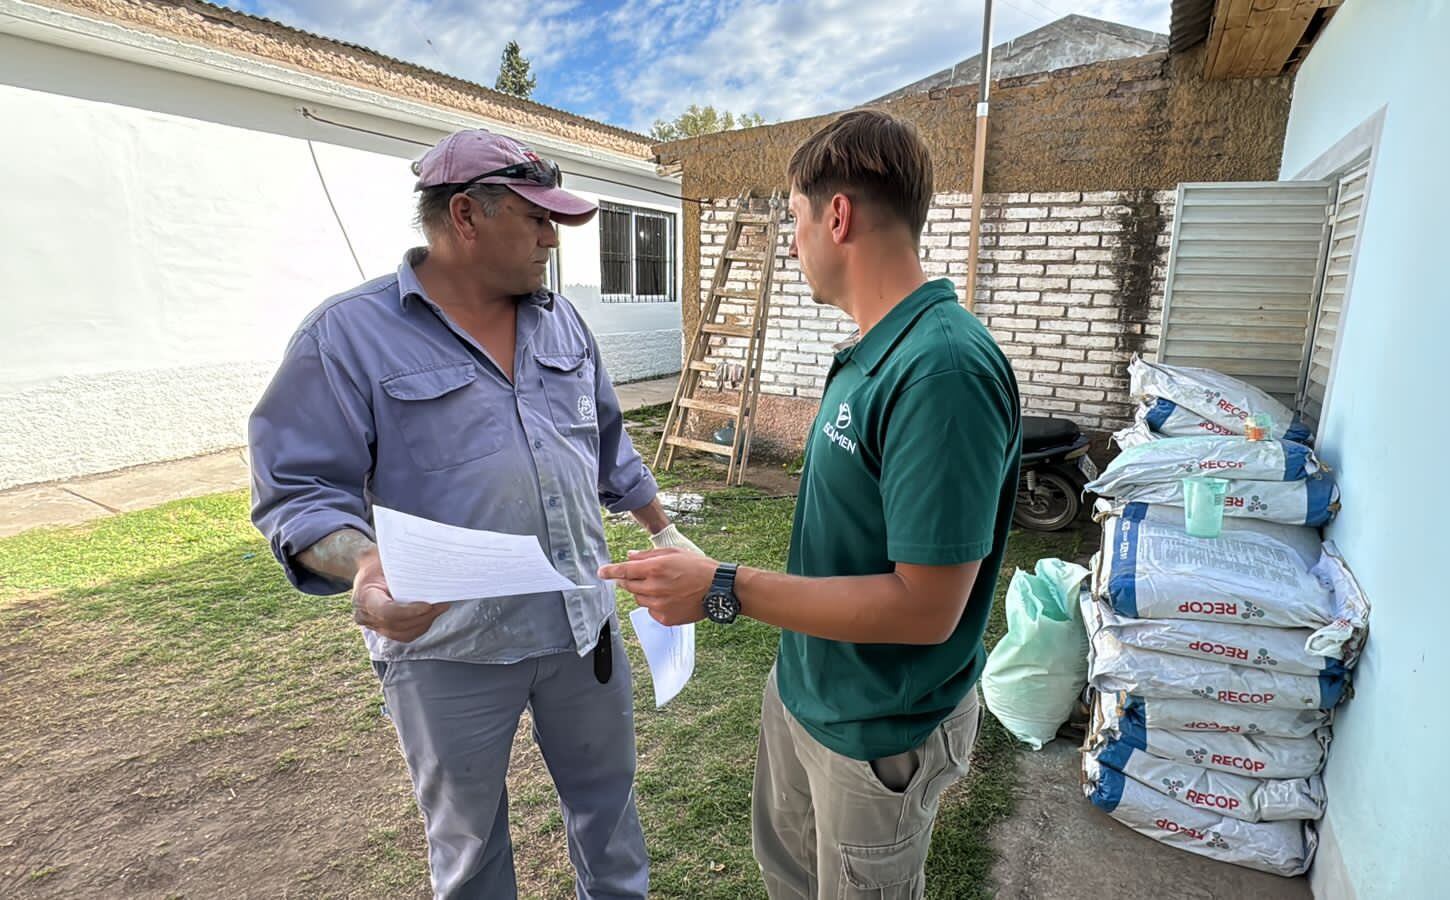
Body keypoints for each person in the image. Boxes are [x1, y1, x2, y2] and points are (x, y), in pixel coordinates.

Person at [249, 128, 699, 900]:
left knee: (609, 815)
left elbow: (607, 446)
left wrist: (660, 527)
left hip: (577, 629)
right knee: (469, 850)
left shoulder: (561, 322)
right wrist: (361, 567)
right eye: (536, 220)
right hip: (447, 648)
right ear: (465, 216)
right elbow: (297, 493)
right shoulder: (345, 339)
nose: (552, 241)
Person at [600, 109, 1021, 899]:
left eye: (794, 219)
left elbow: (926, 609)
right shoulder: (870, 353)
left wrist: (723, 587)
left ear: (837, 214)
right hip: (808, 689)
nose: (793, 242)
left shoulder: (941, 371)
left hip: (876, 731)